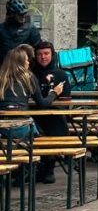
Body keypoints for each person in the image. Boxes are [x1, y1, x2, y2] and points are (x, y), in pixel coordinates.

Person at [1, 44, 64, 185]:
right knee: (39, 136)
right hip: (22, 127)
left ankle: (19, 172)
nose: (29, 62)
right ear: (21, 62)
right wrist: (55, 92)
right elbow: (42, 103)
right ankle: (33, 171)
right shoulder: (28, 77)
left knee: (13, 143)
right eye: (26, 60)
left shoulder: (2, 77)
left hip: (2, 128)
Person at [30, 41, 72, 184]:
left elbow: (66, 100)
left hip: (53, 116)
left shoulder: (61, 74)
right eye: (40, 54)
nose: (43, 57)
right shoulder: (30, 74)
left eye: (46, 54)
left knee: (54, 123)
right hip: (34, 115)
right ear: (35, 56)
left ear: (52, 55)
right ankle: (32, 168)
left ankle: (49, 167)